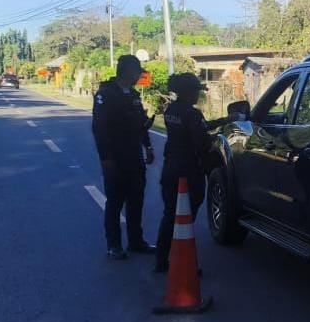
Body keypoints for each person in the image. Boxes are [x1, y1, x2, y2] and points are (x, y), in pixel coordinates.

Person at [154, 72, 231, 273]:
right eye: (197, 91)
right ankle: (185, 265)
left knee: (170, 215)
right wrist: (216, 139)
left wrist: (224, 120)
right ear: (189, 92)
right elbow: (202, 141)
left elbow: (199, 128)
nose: (199, 95)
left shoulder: (171, 110)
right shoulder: (192, 114)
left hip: (171, 169)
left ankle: (161, 259)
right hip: (189, 172)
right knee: (186, 221)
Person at [92, 54, 156, 260]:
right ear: (128, 71)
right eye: (137, 72)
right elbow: (99, 128)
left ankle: (136, 241)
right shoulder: (106, 94)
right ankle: (114, 245)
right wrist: (105, 157)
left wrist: (148, 147)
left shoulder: (133, 95)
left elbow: (141, 123)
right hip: (115, 156)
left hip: (134, 155)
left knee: (136, 200)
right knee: (115, 201)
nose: (139, 76)